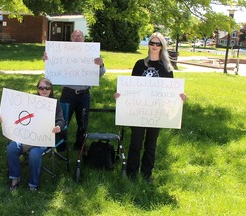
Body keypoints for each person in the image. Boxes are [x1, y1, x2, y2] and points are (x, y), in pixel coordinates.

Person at [114, 32, 187, 182]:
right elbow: (131, 87)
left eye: (157, 44)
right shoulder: (140, 64)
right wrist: (120, 96)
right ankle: (131, 174)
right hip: (139, 110)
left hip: (157, 111)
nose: (154, 46)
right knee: (135, 142)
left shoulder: (166, 67)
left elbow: (170, 92)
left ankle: (146, 175)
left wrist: (179, 98)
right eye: (151, 43)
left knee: (150, 144)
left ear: (162, 47)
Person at [43, 30, 106, 150]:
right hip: (68, 93)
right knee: (62, 120)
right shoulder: (63, 52)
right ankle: (61, 146)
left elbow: (101, 74)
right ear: (71, 38)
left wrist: (101, 65)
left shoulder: (91, 53)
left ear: (84, 38)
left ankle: (79, 146)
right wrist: (47, 60)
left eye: (79, 36)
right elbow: (51, 70)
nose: (77, 38)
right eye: (74, 36)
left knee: (83, 122)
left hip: (84, 94)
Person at [6, 77, 66, 191]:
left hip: (42, 139)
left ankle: (33, 184)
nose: (44, 90)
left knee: (34, 154)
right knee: (12, 148)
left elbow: (61, 120)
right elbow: (17, 115)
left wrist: (59, 126)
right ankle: (15, 178)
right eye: (41, 88)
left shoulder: (54, 104)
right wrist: (4, 119)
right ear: (37, 89)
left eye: (47, 88)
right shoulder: (30, 102)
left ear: (51, 89)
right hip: (25, 136)